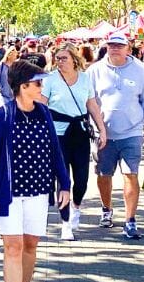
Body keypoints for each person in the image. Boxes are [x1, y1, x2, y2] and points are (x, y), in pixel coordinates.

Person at [0, 60, 70, 282]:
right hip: (9, 193)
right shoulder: (3, 116)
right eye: (38, 83)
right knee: (13, 247)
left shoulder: (44, 112)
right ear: (22, 87)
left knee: (30, 246)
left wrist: (64, 183)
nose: (42, 87)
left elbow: (55, 150)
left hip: (39, 190)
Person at [86, 31, 144, 239]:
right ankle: (106, 209)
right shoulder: (95, 71)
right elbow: (88, 100)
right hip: (104, 134)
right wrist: (94, 128)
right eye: (111, 45)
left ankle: (130, 220)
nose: (115, 49)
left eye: (119, 45)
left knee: (131, 174)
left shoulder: (138, 70)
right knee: (104, 175)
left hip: (132, 132)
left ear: (128, 48)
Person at [43, 43, 107, 240]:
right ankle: (65, 223)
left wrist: (102, 129)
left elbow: (92, 105)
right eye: (57, 58)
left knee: (81, 179)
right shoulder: (50, 79)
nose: (60, 62)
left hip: (79, 132)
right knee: (63, 180)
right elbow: (42, 107)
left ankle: (76, 205)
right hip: (58, 134)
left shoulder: (85, 78)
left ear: (74, 59)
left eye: (64, 58)